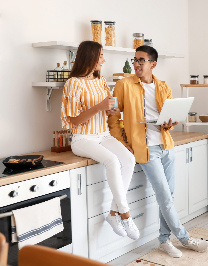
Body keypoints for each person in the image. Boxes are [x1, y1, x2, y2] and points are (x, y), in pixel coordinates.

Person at [108, 45, 208, 258]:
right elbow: (113, 117)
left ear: (153, 64)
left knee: (168, 197)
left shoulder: (163, 87)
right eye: (135, 60)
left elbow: (169, 118)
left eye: (141, 60)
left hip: (166, 146)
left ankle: (164, 240)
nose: (137, 64)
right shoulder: (123, 85)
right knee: (164, 196)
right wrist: (121, 142)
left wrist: (169, 124)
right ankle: (184, 238)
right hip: (145, 149)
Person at [61, 41, 139, 240]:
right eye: (100, 56)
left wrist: (113, 109)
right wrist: (99, 107)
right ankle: (125, 214)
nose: (104, 59)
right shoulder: (73, 83)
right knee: (112, 161)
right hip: (82, 138)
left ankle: (113, 214)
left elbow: (108, 107)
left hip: (103, 135)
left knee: (129, 159)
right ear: (90, 57)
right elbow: (73, 120)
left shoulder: (100, 80)